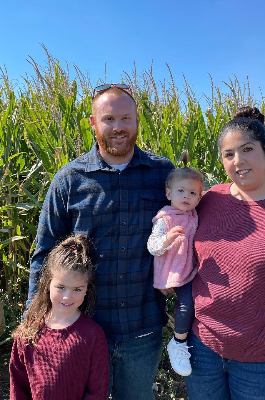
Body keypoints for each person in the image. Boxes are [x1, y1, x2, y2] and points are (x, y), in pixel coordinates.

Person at [27, 83, 174, 400]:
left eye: (125, 118)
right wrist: (33, 321)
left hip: (142, 328)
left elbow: (190, 230)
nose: (118, 127)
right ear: (93, 122)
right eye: (108, 119)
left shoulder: (164, 174)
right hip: (82, 326)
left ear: (137, 120)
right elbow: (43, 254)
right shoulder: (69, 179)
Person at [184, 106, 265, 400]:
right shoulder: (209, 200)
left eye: (247, 149)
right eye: (228, 154)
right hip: (203, 350)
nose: (238, 161)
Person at [10, 234, 109, 400]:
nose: (67, 297)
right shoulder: (28, 332)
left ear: (87, 289)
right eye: (61, 287)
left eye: (77, 289)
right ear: (48, 284)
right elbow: (17, 386)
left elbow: (98, 390)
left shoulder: (93, 335)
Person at [147, 156, 204, 376]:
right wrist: (168, 239)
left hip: (188, 270)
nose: (186, 197)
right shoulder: (166, 218)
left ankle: (180, 338)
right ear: (169, 193)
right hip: (171, 271)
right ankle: (178, 342)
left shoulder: (193, 215)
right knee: (184, 304)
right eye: (181, 191)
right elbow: (153, 247)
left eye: (193, 193)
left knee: (190, 303)